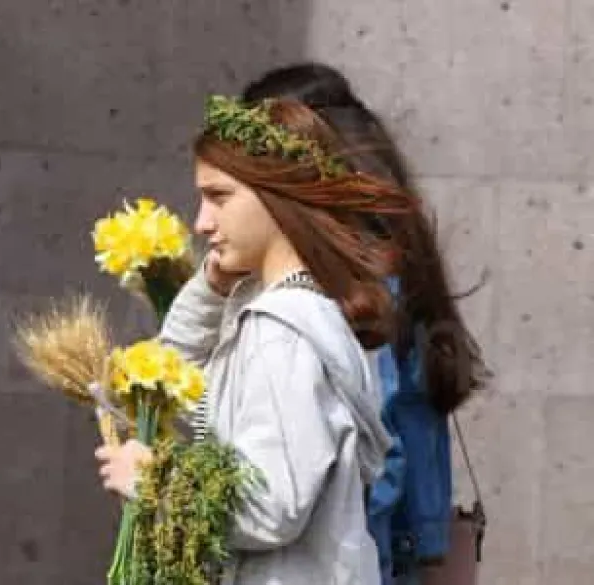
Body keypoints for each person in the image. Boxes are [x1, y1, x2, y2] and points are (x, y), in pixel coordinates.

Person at [95, 95, 418, 584]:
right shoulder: (293, 310)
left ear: (275, 197)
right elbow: (173, 378)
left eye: (219, 197)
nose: (202, 223)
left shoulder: (281, 331)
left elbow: (272, 506)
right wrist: (211, 288)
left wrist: (154, 482)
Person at [240, 63, 489, 585]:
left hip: (378, 557)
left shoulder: (355, 274)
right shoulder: (393, 244)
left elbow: (379, 453)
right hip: (404, 549)